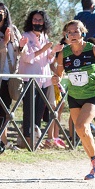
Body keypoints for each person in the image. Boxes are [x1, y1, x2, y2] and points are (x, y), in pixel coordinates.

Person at [51, 20, 95, 180]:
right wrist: (56, 79)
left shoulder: (92, 49)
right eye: (69, 32)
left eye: (76, 31)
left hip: (92, 94)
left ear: (82, 33)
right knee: (81, 131)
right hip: (74, 95)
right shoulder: (63, 53)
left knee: (81, 125)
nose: (72, 35)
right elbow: (60, 73)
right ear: (66, 35)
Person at [0, 2, 27, 150]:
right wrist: (4, 42)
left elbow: (19, 51)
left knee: (6, 109)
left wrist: (21, 46)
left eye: (0, 11)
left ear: (5, 13)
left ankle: (3, 141)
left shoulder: (13, 29)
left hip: (11, 75)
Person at [19, 10, 62, 147]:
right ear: (30, 21)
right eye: (35, 19)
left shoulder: (45, 36)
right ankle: (26, 138)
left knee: (39, 110)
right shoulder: (25, 36)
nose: (37, 22)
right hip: (30, 79)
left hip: (44, 80)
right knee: (28, 110)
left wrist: (54, 51)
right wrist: (44, 49)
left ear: (44, 23)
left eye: (40, 20)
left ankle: (35, 137)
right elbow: (26, 58)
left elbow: (48, 59)